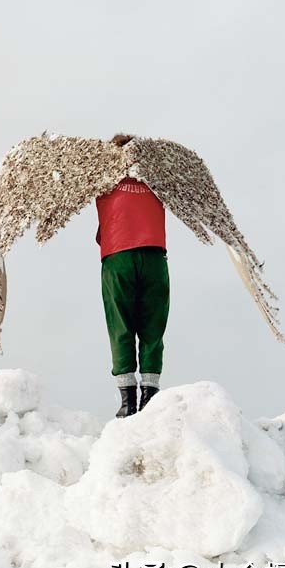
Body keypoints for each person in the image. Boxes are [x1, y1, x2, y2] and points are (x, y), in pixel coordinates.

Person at [95, 134, 170, 418]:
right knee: (153, 327)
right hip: (153, 256)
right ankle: (150, 396)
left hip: (118, 256)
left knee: (121, 326)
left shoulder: (101, 179)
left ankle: (127, 402)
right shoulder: (157, 180)